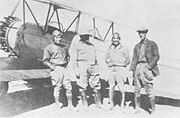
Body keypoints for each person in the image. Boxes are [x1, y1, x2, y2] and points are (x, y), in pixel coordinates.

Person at [129, 27, 160, 114]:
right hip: (137, 68)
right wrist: (131, 69)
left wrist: (149, 66)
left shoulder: (152, 44)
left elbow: (156, 56)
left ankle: (153, 110)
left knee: (149, 88)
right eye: (139, 33)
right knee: (136, 89)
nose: (140, 34)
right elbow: (134, 58)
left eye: (142, 33)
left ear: (146, 33)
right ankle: (137, 108)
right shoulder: (137, 46)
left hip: (146, 67)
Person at [70, 30, 102, 110]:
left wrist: (97, 67)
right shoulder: (76, 46)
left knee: (96, 86)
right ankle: (85, 104)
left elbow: (96, 57)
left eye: (88, 36)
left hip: (93, 66)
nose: (87, 37)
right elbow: (74, 59)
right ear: (81, 36)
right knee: (82, 86)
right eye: (85, 36)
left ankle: (98, 103)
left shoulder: (92, 46)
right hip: (82, 66)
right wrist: (76, 70)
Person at [43, 30, 74, 110]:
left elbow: (68, 56)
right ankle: (57, 104)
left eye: (60, 37)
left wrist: (66, 64)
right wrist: (51, 66)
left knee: (68, 87)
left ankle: (70, 104)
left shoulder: (64, 47)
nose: (59, 39)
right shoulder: (48, 48)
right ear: (53, 38)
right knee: (57, 87)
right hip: (56, 69)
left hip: (64, 68)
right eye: (57, 37)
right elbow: (45, 60)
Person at [105, 32, 130, 110]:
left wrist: (122, 65)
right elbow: (106, 58)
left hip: (120, 70)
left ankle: (122, 104)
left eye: (117, 38)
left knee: (121, 88)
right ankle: (111, 104)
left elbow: (128, 60)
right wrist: (110, 63)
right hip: (111, 69)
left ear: (119, 39)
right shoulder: (109, 48)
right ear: (112, 39)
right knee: (111, 87)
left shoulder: (124, 48)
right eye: (114, 38)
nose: (115, 40)